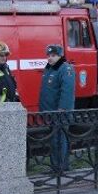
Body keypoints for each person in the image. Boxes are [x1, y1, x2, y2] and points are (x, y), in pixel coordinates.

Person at [38, 44, 75, 172]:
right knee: (54, 141)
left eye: (53, 55)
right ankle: (56, 166)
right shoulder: (49, 69)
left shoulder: (66, 69)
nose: (50, 58)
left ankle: (61, 167)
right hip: (50, 112)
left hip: (60, 113)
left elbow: (67, 91)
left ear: (60, 56)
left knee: (60, 140)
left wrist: (62, 109)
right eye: (48, 55)